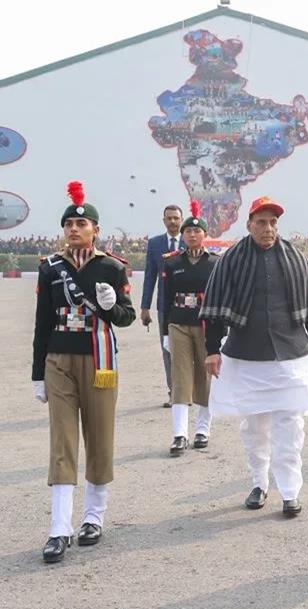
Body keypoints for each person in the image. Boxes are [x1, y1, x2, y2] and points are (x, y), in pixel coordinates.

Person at [200, 195, 308, 517]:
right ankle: (259, 484)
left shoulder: (297, 259)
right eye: (261, 222)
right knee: (255, 427)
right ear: (249, 225)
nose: (268, 228)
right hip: (247, 356)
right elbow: (214, 311)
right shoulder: (231, 260)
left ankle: (290, 491)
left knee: (290, 427)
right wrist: (212, 350)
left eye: (273, 222)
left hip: (291, 355)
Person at [33, 181, 136, 562]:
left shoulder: (111, 267)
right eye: (68, 225)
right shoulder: (51, 268)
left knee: (99, 435)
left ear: (96, 229)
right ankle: (59, 528)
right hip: (59, 358)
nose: (74, 229)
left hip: (99, 360)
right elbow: (43, 322)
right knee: (61, 441)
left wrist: (110, 307)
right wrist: (37, 372)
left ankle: (93, 516)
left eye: (82, 223)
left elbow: (124, 318)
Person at [161, 200, 218, 456]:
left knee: (205, 376)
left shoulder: (215, 263)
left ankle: (202, 429)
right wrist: (164, 331)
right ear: (182, 235)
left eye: (197, 231)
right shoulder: (172, 263)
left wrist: (222, 331)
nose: (192, 235)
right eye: (188, 231)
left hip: (206, 324)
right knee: (180, 376)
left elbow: (220, 298)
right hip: (179, 323)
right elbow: (165, 298)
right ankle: (179, 434)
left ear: (205, 235)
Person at [141, 204, 185, 407]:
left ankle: (188, 390)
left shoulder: (191, 240)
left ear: (181, 219)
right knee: (167, 349)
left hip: (190, 307)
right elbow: (149, 277)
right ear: (164, 221)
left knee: (189, 350)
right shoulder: (155, 244)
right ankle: (173, 391)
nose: (173, 222)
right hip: (164, 308)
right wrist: (144, 307)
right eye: (169, 218)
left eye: (176, 218)